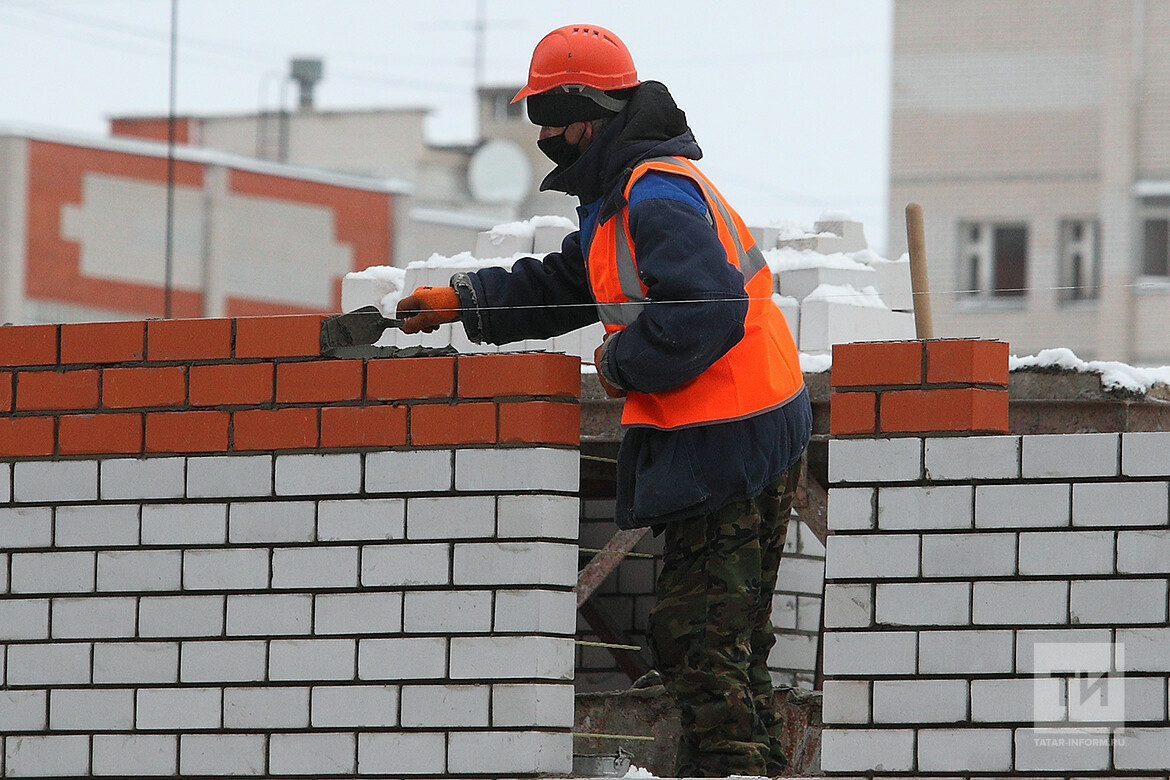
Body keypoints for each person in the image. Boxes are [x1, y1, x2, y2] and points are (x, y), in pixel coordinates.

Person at [396, 23, 812, 779]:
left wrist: (622, 362)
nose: (543, 136)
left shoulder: (654, 194)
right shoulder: (621, 195)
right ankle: (749, 768)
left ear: (587, 114)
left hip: (734, 429)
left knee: (697, 637)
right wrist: (463, 301)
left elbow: (709, 308)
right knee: (728, 641)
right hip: (745, 422)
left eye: (548, 117)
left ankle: (734, 769)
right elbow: (567, 283)